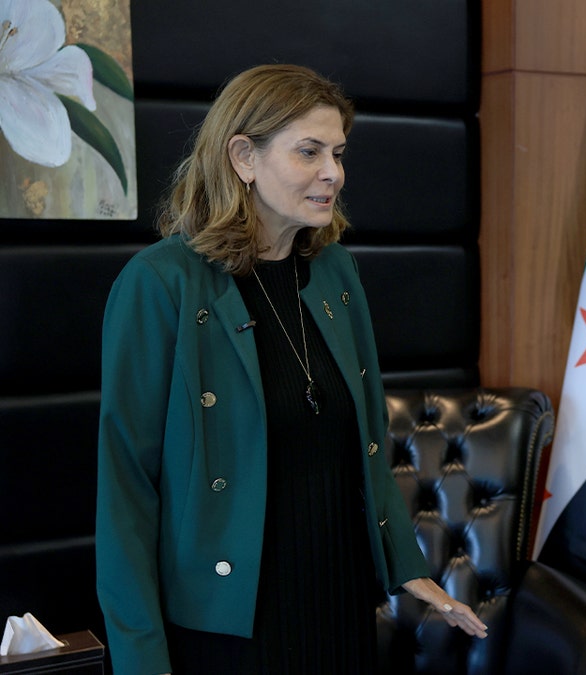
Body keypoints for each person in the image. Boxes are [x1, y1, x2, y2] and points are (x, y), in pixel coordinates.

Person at [95, 64, 487, 675]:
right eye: (309, 152)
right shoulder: (160, 283)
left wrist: (407, 569)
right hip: (229, 622)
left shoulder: (336, 272)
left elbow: (367, 446)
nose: (333, 172)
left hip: (339, 602)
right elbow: (126, 492)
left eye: (337, 152)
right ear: (243, 157)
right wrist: (139, 660)